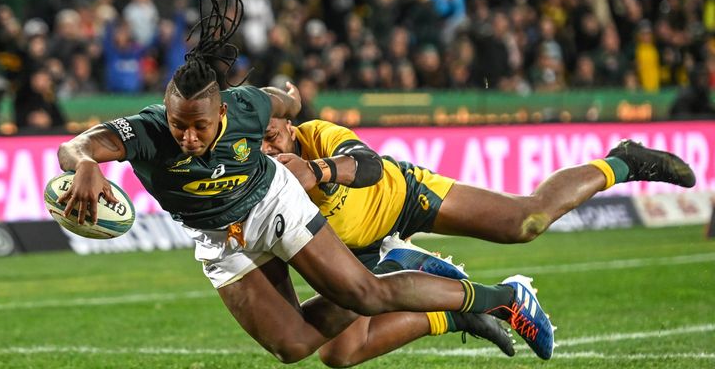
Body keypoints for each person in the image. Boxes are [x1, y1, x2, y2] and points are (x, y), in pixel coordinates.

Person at [56, 0, 555, 366]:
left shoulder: (246, 106)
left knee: (366, 296)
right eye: (178, 123)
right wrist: (85, 166)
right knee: (293, 347)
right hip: (216, 236)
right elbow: (76, 147)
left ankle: (501, 300)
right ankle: (398, 267)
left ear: (223, 111)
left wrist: (293, 101)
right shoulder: (149, 131)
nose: (187, 136)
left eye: (199, 126)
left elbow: (281, 102)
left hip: (271, 200)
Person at [259, 116, 697, 363]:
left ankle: (622, 162)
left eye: (273, 134)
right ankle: (453, 313)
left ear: (291, 125)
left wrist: (316, 170)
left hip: (403, 197)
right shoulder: (262, 179)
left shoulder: (317, 135)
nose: (269, 147)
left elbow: (367, 165)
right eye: (257, 141)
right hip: (357, 251)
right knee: (340, 353)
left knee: (525, 222)